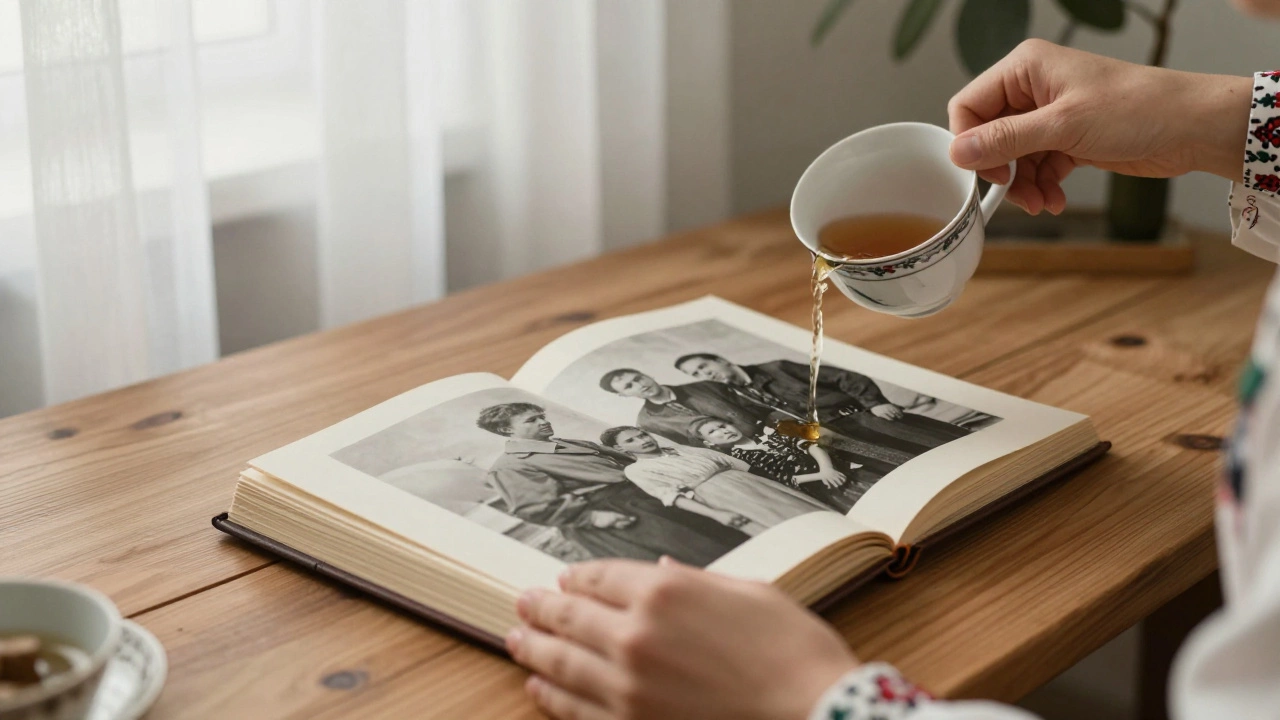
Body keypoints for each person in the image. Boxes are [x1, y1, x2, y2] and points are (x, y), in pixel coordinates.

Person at [499, 13, 1280, 718]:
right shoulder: (659, 426)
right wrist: (1231, 122)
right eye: (631, 390)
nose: (642, 390)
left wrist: (815, 701)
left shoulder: (709, 386)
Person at [477, 402, 748, 567]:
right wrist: (594, 516)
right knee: (699, 556)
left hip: (646, 497)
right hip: (613, 515)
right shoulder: (510, 465)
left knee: (727, 539)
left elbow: (630, 461)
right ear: (506, 430)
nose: (544, 421)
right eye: (532, 420)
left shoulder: (570, 443)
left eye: (541, 416)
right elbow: (534, 507)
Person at [674, 353, 972, 454]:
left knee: (943, 444)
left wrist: (876, 403)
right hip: (836, 438)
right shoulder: (740, 396)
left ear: (721, 360)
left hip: (865, 416)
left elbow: (845, 377)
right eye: (696, 375)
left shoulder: (776, 367)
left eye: (703, 367)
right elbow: (772, 420)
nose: (704, 374)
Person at [600, 426, 829, 534]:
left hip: (756, 484)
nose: (642, 440)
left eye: (643, 435)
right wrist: (717, 513)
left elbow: (738, 464)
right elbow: (673, 497)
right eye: (633, 440)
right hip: (723, 498)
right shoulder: (637, 470)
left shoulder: (681, 449)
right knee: (782, 527)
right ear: (620, 448)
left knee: (806, 514)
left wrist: (781, 484)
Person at [689, 416, 878, 513]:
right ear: (709, 443)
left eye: (723, 425)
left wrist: (827, 468)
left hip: (838, 468)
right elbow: (783, 478)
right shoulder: (740, 460)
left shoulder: (769, 433)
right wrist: (821, 476)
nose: (723, 431)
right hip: (821, 487)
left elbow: (809, 446)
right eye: (713, 432)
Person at [598, 367, 774, 446]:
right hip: (747, 457)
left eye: (638, 378)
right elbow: (688, 449)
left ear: (646, 374)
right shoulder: (647, 423)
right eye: (629, 386)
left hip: (775, 434)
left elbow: (759, 407)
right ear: (623, 395)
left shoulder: (706, 386)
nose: (639, 386)